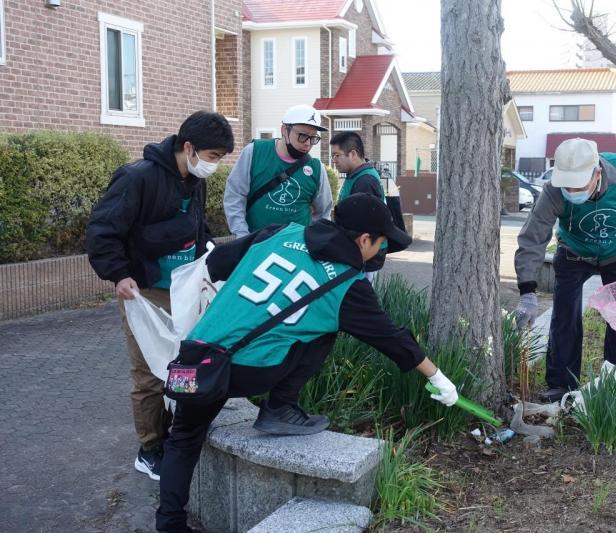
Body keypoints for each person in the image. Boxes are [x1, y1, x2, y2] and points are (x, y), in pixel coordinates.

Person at [155, 193, 458, 532]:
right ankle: (280, 407)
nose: (380, 252)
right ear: (363, 240)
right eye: (381, 244)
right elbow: (391, 338)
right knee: (323, 328)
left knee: (183, 437)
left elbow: (218, 263)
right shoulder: (346, 283)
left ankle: (169, 523)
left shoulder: (279, 232)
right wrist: (438, 377)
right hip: (250, 371)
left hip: (198, 358)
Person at [86, 112, 235, 481]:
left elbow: (197, 228)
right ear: (189, 147)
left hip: (185, 289)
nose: (214, 165)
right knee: (149, 374)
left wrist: (210, 258)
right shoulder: (137, 178)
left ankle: (175, 436)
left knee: (183, 366)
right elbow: (102, 230)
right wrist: (119, 274)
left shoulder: (194, 181)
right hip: (145, 290)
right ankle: (149, 448)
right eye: (212, 157)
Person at [514, 138, 616, 403]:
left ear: (597, 173)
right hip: (573, 252)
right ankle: (561, 384)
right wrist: (527, 291)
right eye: (568, 187)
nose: (572, 191)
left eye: (579, 186)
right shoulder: (553, 191)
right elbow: (533, 237)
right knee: (564, 316)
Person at [224, 104, 332, 238]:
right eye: (302, 136)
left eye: (313, 138)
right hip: (256, 244)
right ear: (284, 130)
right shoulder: (254, 152)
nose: (308, 143)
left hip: (297, 246)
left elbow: (323, 213)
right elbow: (235, 195)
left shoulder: (316, 168)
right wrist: (242, 236)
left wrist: (313, 240)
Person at [329, 131, 389, 278]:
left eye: (336, 155)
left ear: (353, 154)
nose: (334, 160)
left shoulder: (365, 182)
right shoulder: (356, 176)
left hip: (365, 255)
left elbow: (361, 226)